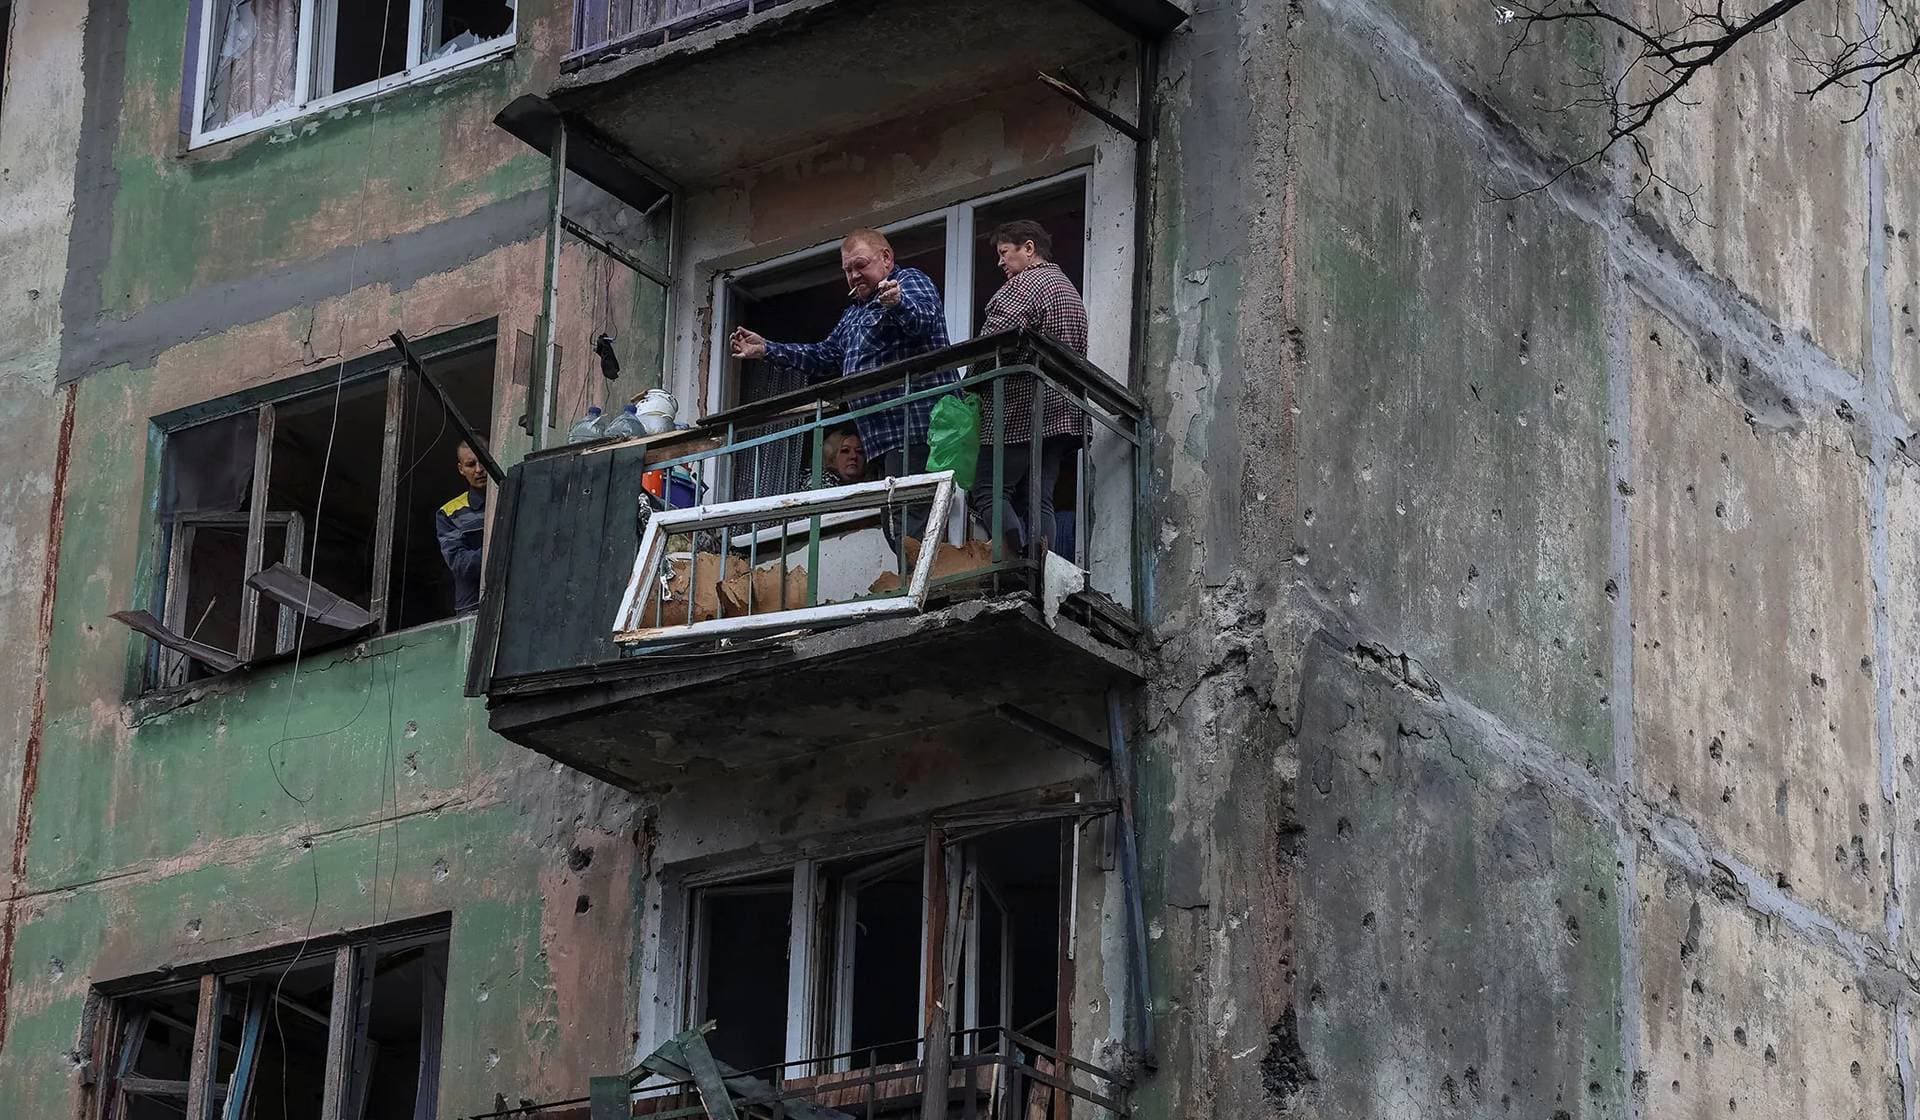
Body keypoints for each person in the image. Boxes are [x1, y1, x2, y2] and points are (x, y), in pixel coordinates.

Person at [730, 228, 954, 544]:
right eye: (847, 270)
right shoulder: (853, 314)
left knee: (911, 526)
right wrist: (767, 349)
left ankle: (922, 591)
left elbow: (925, 321)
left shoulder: (909, 281)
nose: (853, 275)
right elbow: (824, 356)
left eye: (860, 265)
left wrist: (897, 302)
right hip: (881, 441)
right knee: (895, 527)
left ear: (886, 258)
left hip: (916, 429)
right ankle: (915, 585)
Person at [974, 220, 1090, 558]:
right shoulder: (1068, 289)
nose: (999, 263)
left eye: (1003, 253)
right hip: (1063, 411)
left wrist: (969, 385)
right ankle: (1042, 570)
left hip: (1022, 408)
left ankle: (1015, 564)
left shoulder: (1025, 285)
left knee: (989, 490)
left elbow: (992, 345)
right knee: (1039, 497)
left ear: (1028, 248)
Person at [435, 441, 488, 613]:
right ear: (461, 469)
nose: (479, 470)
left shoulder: (513, 497)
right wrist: (498, 552)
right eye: (471, 465)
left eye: (483, 461)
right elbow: (459, 563)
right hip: (474, 609)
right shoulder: (449, 513)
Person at [801, 426, 868, 489]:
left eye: (859, 451)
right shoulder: (818, 482)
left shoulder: (870, 484)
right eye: (845, 450)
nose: (853, 456)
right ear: (831, 458)